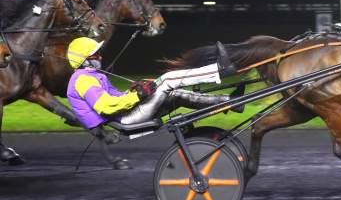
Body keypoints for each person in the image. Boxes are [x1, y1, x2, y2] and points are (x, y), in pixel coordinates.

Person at [66, 37, 243, 131]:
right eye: (95, 55)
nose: (100, 57)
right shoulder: (83, 80)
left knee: (175, 93)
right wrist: (138, 95)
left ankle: (230, 101)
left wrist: (132, 91)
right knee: (167, 80)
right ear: (84, 61)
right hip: (126, 119)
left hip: (128, 114)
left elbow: (113, 98)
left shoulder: (90, 76)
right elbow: (105, 107)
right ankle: (220, 70)